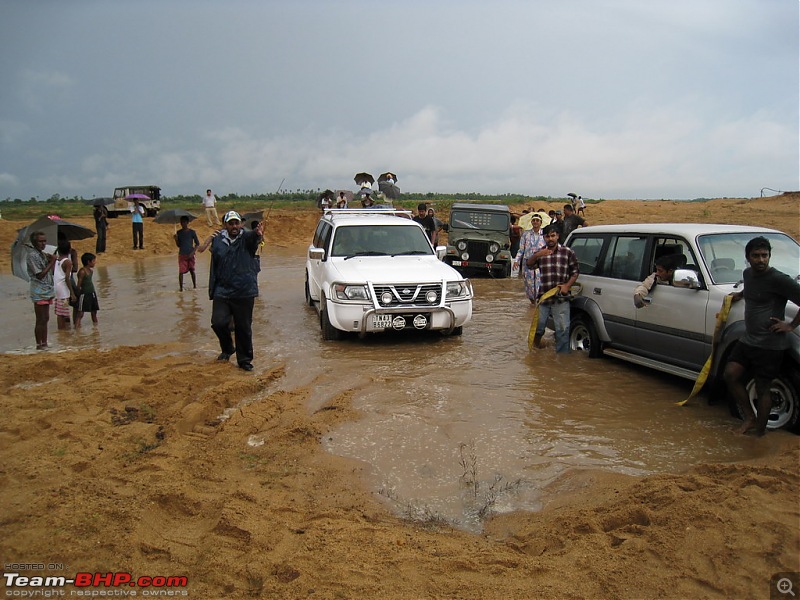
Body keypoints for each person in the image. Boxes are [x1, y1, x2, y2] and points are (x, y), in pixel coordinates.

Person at [723, 236, 800, 436]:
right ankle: (749, 418)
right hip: (749, 339)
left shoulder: (779, 279)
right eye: (756, 256)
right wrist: (740, 295)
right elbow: (751, 289)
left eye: (764, 255)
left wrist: (791, 325)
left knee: (763, 387)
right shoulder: (748, 274)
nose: (761, 260)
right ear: (748, 257)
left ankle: (759, 434)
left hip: (770, 344)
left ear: (769, 256)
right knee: (730, 374)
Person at [198, 211, 264, 372]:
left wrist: (258, 234)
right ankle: (227, 348)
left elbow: (254, 240)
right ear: (225, 225)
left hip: (244, 290)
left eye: (237, 223)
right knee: (218, 322)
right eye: (231, 223)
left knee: (243, 327)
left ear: (241, 224)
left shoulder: (246, 238)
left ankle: (245, 360)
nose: (234, 226)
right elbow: (212, 259)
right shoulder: (218, 240)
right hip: (223, 289)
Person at [529, 224, 579, 353]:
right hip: (544, 298)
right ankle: (534, 351)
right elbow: (528, 265)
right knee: (538, 328)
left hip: (561, 298)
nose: (550, 239)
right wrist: (538, 255)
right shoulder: (541, 253)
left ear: (557, 236)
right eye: (547, 236)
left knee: (562, 329)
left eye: (553, 236)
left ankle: (562, 359)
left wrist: (567, 286)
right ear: (544, 237)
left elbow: (575, 272)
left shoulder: (567, 252)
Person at [26, 230, 57, 349]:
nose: (43, 244)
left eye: (44, 241)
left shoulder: (41, 254)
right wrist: (52, 262)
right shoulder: (32, 255)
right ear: (34, 242)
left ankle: (44, 342)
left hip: (46, 289)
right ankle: (39, 344)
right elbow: (39, 274)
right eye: (40, 241)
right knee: (40, 319)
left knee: (46, 318)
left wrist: (50, 261)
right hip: (39, 291)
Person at [514, 213, 546, 303]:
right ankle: (532, 303)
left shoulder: (544, 235)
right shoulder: (526, 235)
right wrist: (516, 260)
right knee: (529, 285)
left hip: (540, 263)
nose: (535, 222)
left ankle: (539, 302)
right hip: (527, 263)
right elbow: (521, 250)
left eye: (537, 220)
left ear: (541, 222)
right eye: (534, 220)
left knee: (540, 283)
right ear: (531, 222)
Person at [53, 240, 76, 330]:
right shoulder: (68, 262)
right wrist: (72, 293)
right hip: (64, 291)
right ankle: (63, 330)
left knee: (60, 312)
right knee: (63, 313)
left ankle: (63, 331)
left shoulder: (57, 260)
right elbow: (67, 278)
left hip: (58, 289)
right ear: (69, 250)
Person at [175, 216, 200, 291]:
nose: (183, 224)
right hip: (182, 254)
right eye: (181, 222)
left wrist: (193, 253)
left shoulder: (192, 232)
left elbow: (197, 244)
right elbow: (179, 245)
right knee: (181, 271)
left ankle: (195, 286)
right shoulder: (178, 233)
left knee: (192, 270)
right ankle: (181, 288)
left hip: (190, 253)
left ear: (187, 223)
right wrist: (176, 240)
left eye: (184, 222)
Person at [74, 253, 99, 328]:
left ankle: (96, 328)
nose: (95, 262)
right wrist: (78, 295)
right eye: (94, 261)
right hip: (84, 294)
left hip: (92, 293)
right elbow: (78, 286)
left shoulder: (91, 271)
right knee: (80, 314)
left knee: (94, 312)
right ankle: (77, 329)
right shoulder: (82, 272)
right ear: (89, 262)